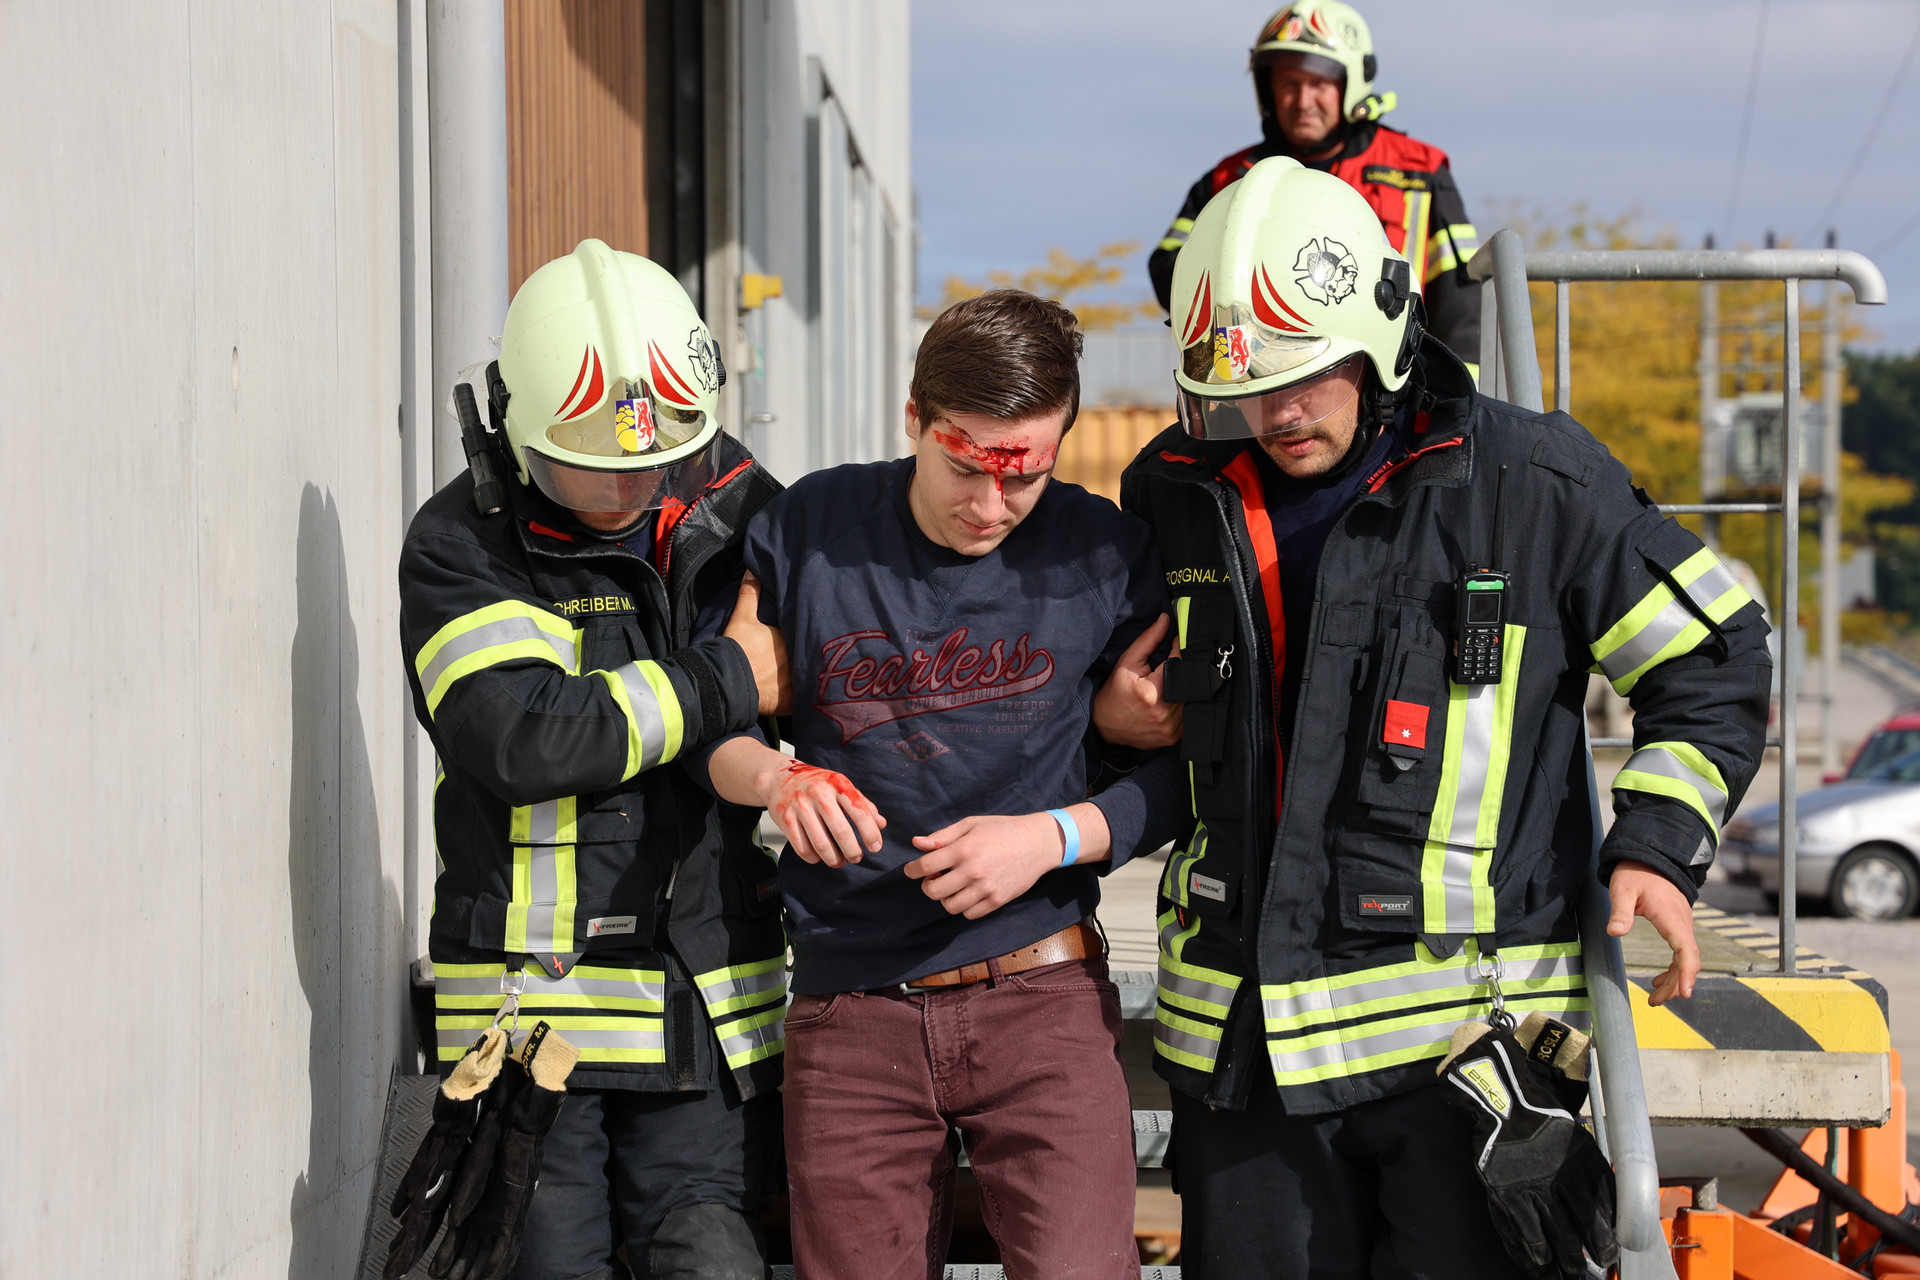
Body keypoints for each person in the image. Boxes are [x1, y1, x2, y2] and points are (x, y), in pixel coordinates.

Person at [1102, 159, 1770, 1277]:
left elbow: (1713, 650)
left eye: (1305, 378)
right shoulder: (1172, 490)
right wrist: (1108, 722)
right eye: (1246, 389)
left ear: (1384, 334)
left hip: (1464, 1067)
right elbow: (1109, 708)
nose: (1276, 414)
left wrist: (1657, 843)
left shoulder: (1534, 482)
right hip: (1245, 1064)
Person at [697, 290, 1187, 1279]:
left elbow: (1186, 777)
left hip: (1043, 992)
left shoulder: (1104, 551)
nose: (991, 506)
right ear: (915, 417)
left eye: (1026, 475)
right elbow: (716, 730)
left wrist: (1050, 837)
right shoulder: (809, 529)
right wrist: (779, 779)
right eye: (965, 468)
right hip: (849, 1004)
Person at [399, 238, 788, 1280]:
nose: (632, 486)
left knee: (712, 1260)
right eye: (597, 466)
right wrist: (726, 677)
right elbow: (525, 738)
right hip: (529, 1028)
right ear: (516, 428)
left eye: (655, 461)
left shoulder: (746, 514)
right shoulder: (460, 547)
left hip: (707, 1006)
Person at [1148, 1, 1483, 369]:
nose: (1303, 101)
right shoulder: (1230, 179)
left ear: (1351, 84)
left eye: (1319, 83)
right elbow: (1169, 270)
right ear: (1268, 90)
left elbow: (1462, 304)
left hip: (1387, 385)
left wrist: (1455, 395)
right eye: (1289, 84)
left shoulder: (1418, 172)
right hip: (1252, 384)